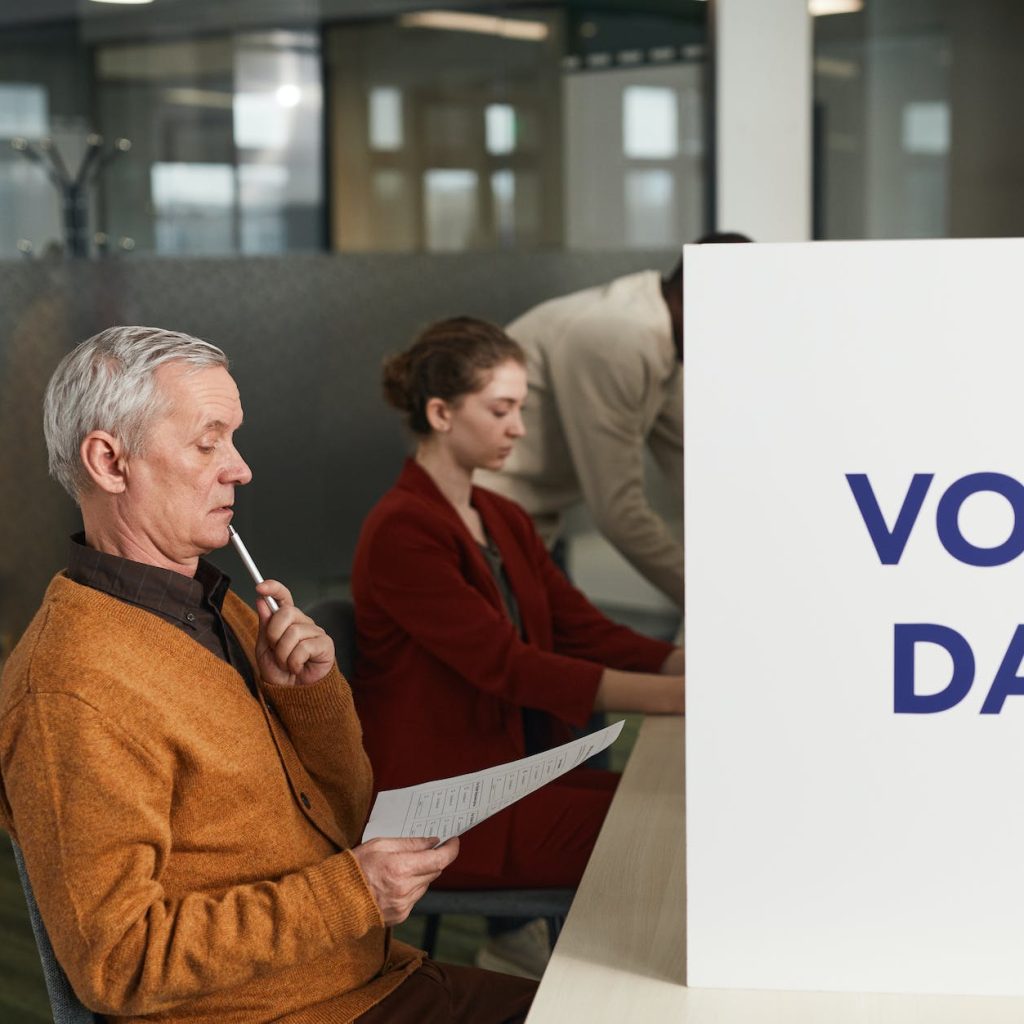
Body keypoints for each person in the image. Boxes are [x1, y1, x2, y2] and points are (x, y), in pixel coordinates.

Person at [0, 326, 536, 1024]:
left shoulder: (218, 608)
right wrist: (353, 895)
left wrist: (308, 700)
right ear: (109, 461)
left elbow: (345, 817)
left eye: (234, 439)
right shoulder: (72, 688)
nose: (241, 468)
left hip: (369, 978)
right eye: (208, 443)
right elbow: (118, 964)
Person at [350, 318, 685, 970]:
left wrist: (684, 664)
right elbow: (509, 668)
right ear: (441, 413)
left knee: (673, 813)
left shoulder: (501, 516)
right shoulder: (401, 530)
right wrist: (678, 696)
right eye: (501, 410)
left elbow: (582, 628)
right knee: (666, 831)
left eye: (521, 409)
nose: (519, 428)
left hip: (512, 780)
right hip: (446, 808)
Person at [476, 232, 752, 614]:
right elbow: (618, 513)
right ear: (702, 299)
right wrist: (710, 600)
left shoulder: (665, 336)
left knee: (579, 639)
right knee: (563, 645)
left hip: (532, 525)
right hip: (485, 526)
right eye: (738, 319)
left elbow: (695, 465)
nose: (740, 337)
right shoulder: (617, 340)